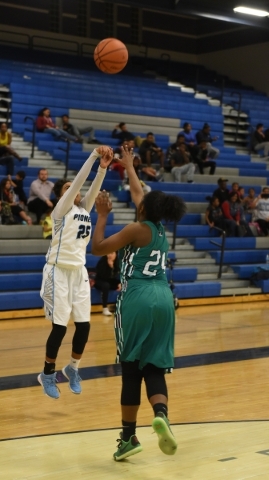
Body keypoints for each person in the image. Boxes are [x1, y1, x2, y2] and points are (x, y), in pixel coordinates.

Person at [92, 146, 186, 461]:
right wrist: (130, 166)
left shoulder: (135, 228)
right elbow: (137, 193)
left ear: (143, 209)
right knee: (155, 365)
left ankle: (129, 437)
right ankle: (161, 414)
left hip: (138, 296)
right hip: (164, 297)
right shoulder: (159, 230)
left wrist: (102, 216)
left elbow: (98, 249)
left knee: (131, 369)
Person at [38, 146, 113, 400]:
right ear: (63, 196)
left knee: (84, 327)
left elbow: (92, 186)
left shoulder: (84, 209)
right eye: (68, 188)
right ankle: (47, 373)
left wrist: (103, 166)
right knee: (59, 328)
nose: (74, 189)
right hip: (57, 272)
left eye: (75, 188)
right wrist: (92, 156)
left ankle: (73, 368)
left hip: (78, 272)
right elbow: (81, 180)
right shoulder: (60, 212)